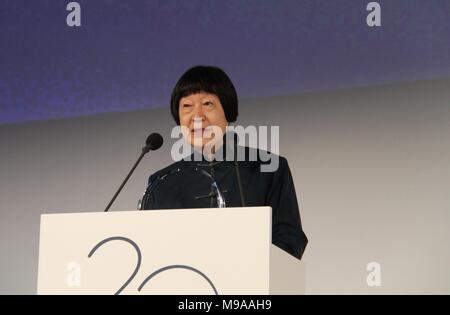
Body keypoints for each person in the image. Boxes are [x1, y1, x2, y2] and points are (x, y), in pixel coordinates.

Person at [141, 65, 308, 259]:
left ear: (228, 112)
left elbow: (289, 240)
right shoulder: (161, 183)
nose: (197, 116)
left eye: (208, 104)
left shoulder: (268, 168)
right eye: (187, 106)